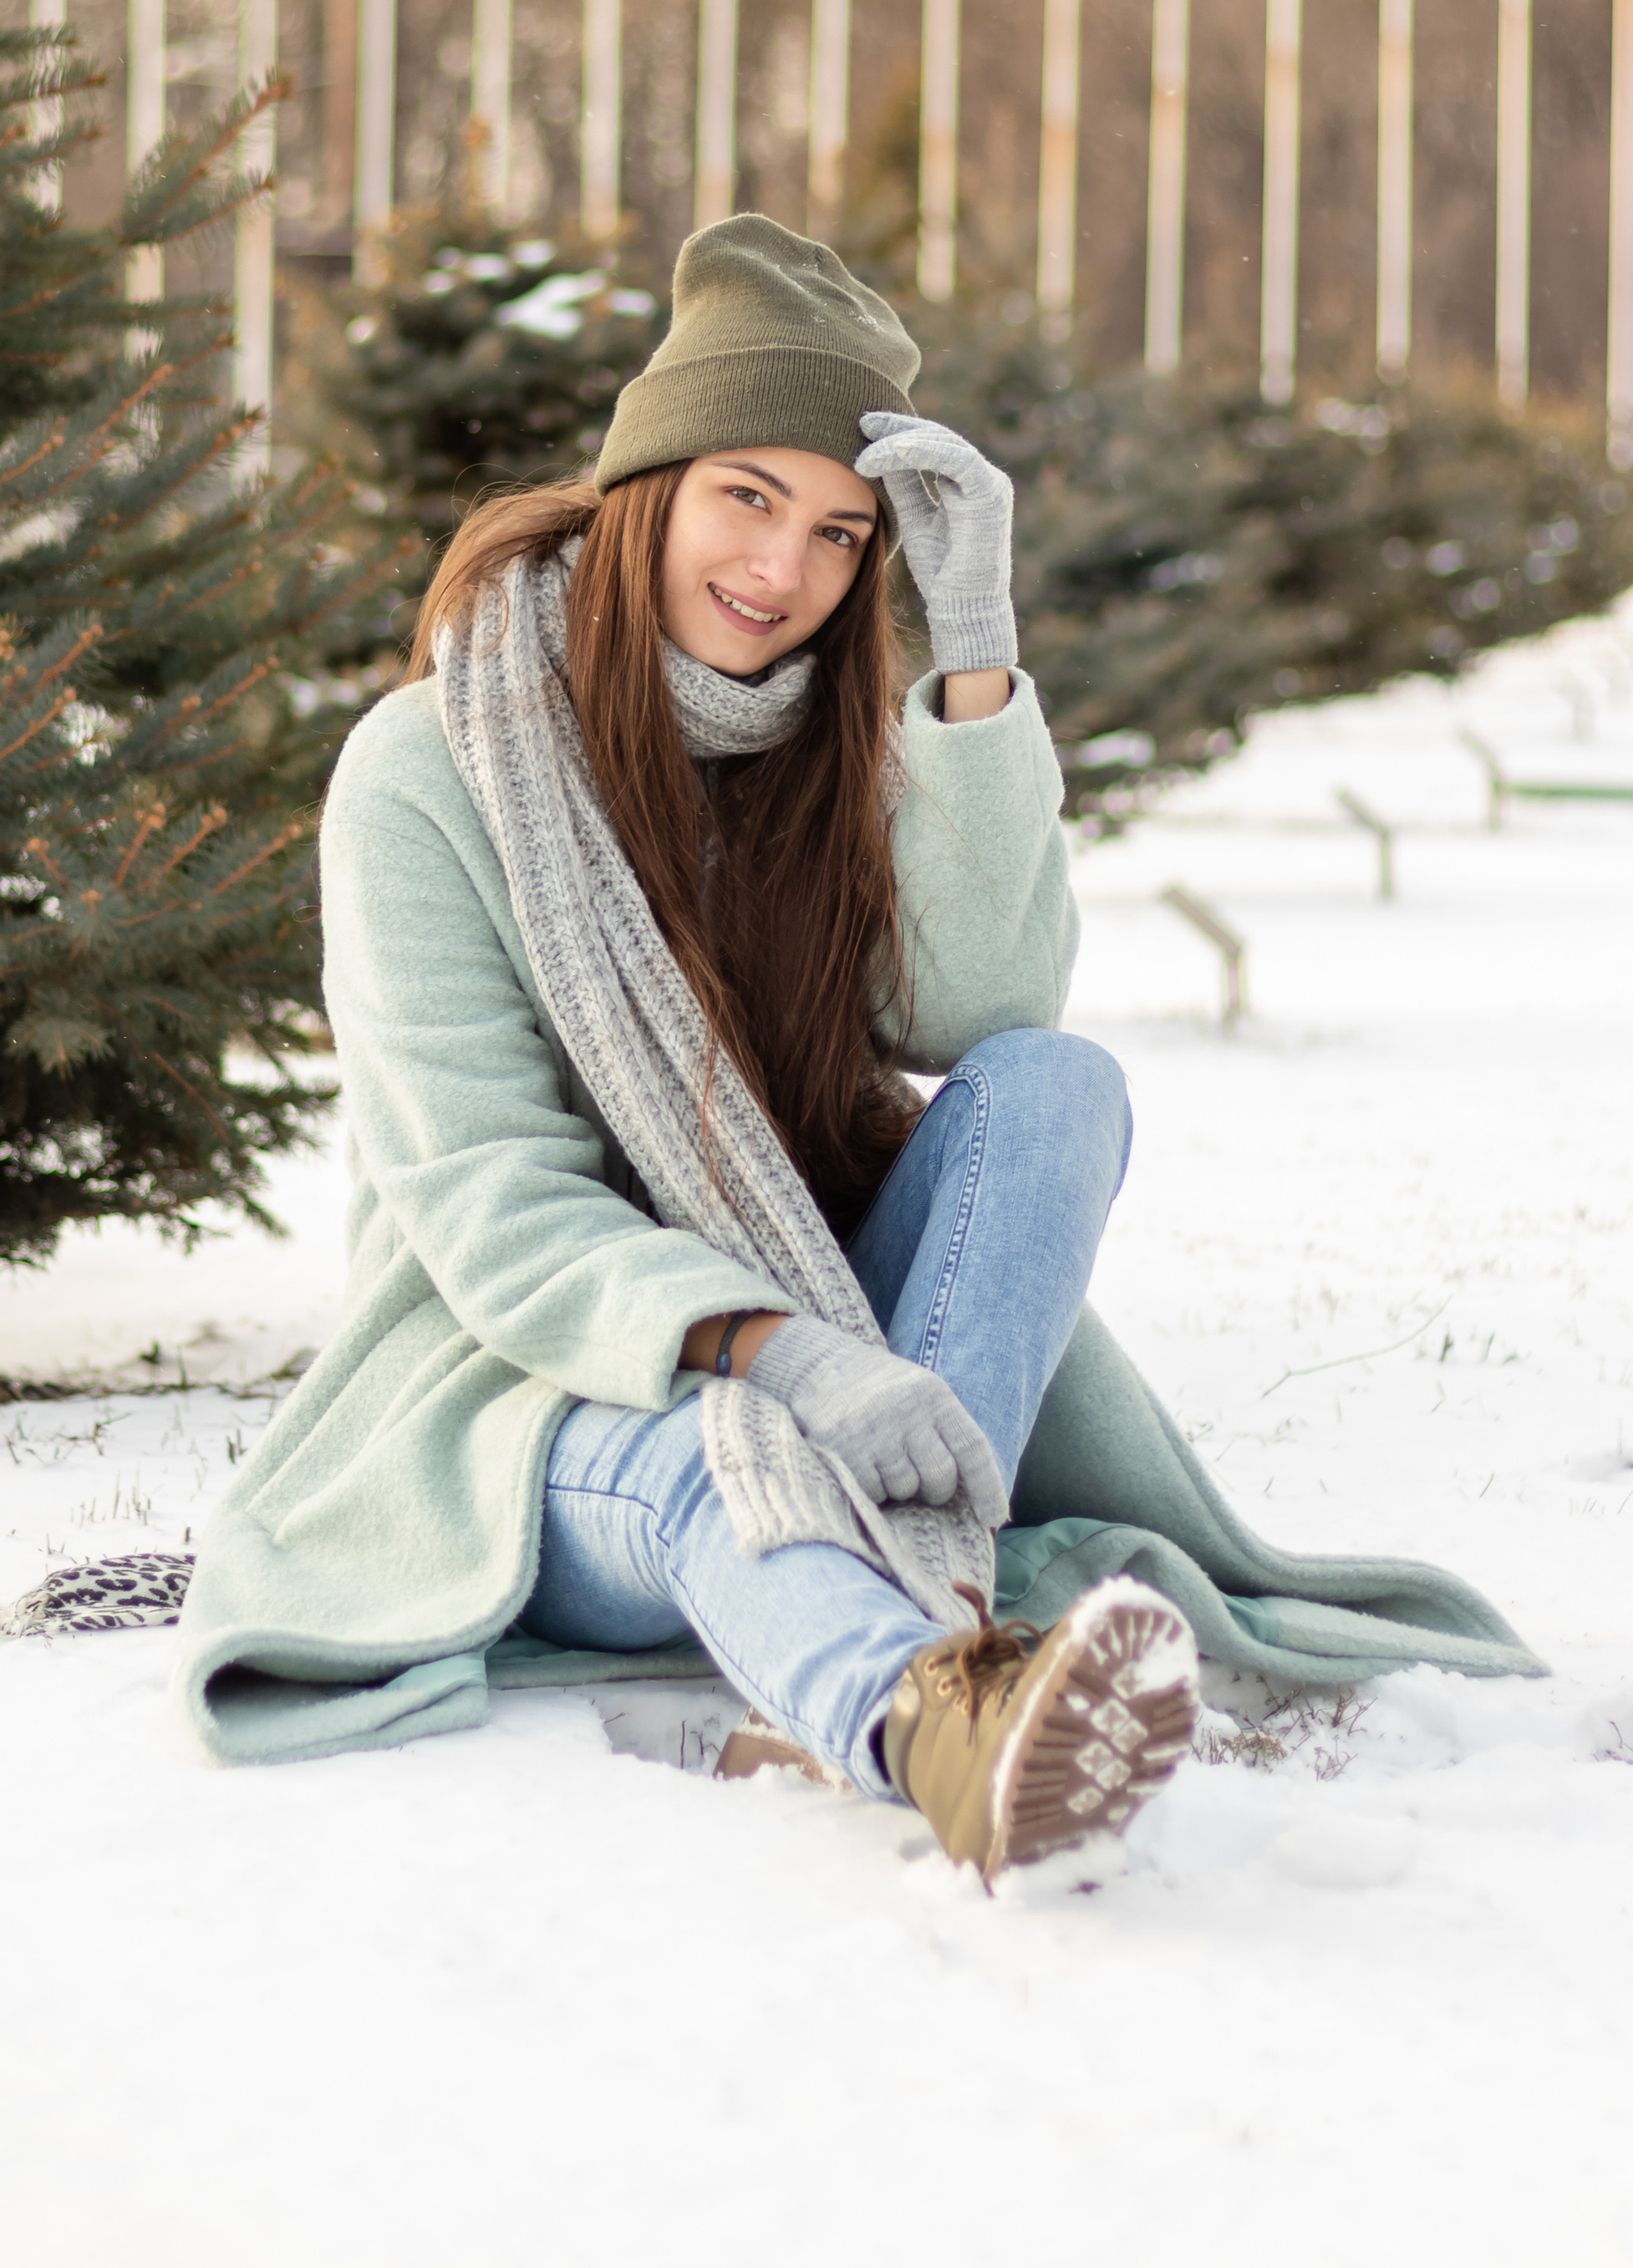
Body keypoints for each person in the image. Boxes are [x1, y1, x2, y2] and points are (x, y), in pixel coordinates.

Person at [162, 215, 1540, 1869]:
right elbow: (483, 1196)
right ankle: (927, 1722)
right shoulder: (430, 771)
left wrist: (976, 656)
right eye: (745, 498)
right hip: (532, 1398)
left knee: (1057, 1085)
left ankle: (932, 1608)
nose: (783, 571)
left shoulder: (826, 755)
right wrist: (776, 1355)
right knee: (717, 1460)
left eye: (838, 533)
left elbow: (986, 1015)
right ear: (646, 489)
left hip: (838, 1343)